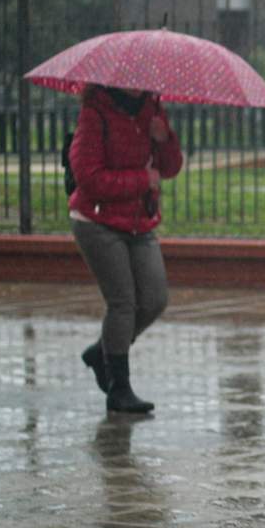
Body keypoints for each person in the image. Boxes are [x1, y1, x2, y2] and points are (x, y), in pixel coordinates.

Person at [67, 84, 182, 413]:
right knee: (123, 304)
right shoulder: (95, 112)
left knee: (155, 299)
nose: (140, 83)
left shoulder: (152, 108)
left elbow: (170, 169)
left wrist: (165, 139)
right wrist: (141, 181)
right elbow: (88, 177)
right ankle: (119, 388)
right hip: (97, 220)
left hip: (138, 221)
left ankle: (101, 352)